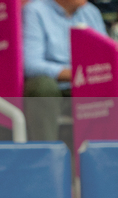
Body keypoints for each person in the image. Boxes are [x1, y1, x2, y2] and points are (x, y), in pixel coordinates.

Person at [23, 0, 106, 140]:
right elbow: (30, 65)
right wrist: (77, 74)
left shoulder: (91, 12)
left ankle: (106, 155)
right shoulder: (34, 11)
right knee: (42, 86)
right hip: (55, 85)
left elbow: (106, 56)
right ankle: (47, 155)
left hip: (88, 84)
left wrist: (94, 74)